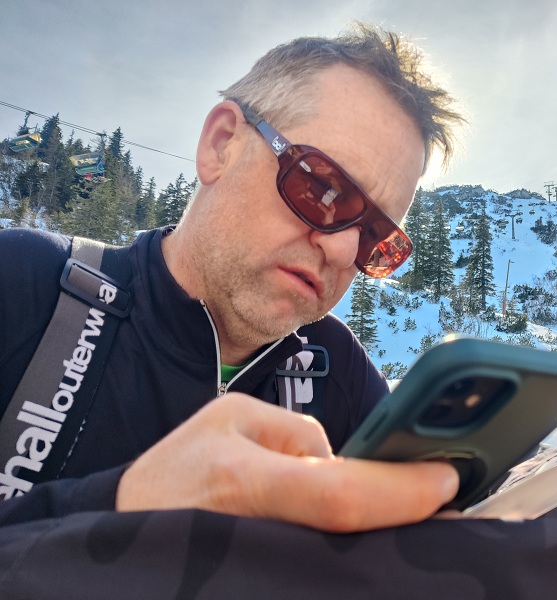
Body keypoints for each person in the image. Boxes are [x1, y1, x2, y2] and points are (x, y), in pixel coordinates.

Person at [0, 24, 466, 532]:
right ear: (221, 145)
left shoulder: (339, 374)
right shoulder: (25, 285)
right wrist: (125, 510)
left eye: (376, 237)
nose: (341, 251)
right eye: (323, 189)